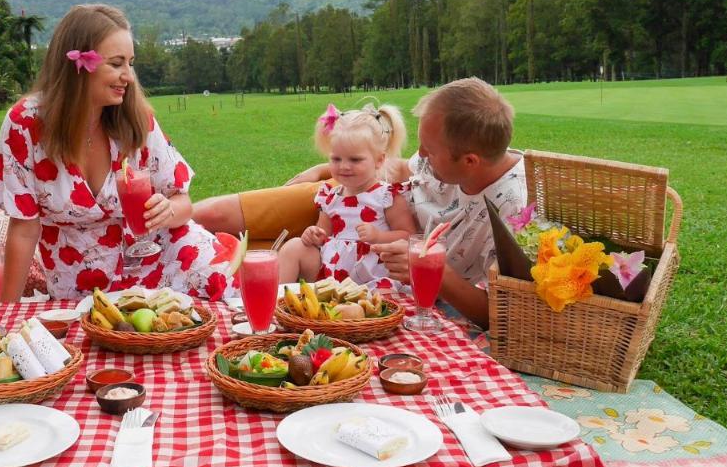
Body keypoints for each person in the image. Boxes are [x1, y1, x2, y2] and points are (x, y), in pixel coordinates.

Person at [194, 78, 526, 326]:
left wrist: (431, 271)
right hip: (347, 191)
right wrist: (325, 168)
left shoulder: (514, 209)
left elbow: (501, 315)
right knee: (212, 214)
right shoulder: (441, 161)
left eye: (429, 150)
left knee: (254, 249)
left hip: (382, 250)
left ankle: (251, 308)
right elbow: (390, 165)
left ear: (469, 162)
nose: (420, 155)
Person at [0, 4, 235, 302]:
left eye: (130, 63)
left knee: (224, 305)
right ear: (78, 65)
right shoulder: (25, 125)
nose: (128, 76)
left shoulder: (136, 119)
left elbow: (182, 202)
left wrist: (166, 211)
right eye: (116, 64)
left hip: (162, 258)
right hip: (78, 280)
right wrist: (6, 314)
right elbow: (24, 230)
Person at [277, 102, 416, 287]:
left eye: (355, 159)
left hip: (374, 276)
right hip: (331, 273)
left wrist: (378, 236)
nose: (344, 166)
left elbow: (409, 237)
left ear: (379, 160)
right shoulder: (330, 196)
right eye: (336, 159)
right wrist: (313, 234)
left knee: (382, 292)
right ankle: (275, 302)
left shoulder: (386, 195)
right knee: (294, 247)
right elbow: (323, 234)